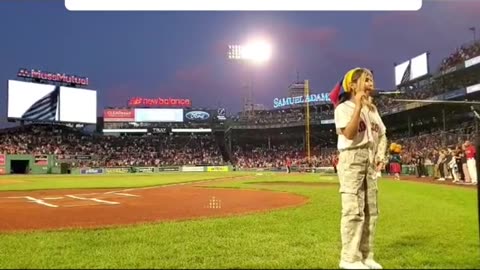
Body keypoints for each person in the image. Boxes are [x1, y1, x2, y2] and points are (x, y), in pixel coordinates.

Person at [330, 67, 387, 269]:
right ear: (353, 85)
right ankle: (349, 258)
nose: (370, 83)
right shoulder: (343, 108)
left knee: (371, 210)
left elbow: (382, 133)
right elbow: (349, 134)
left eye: (371, 79)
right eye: (366, 79)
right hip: (351, 158)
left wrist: (380, 155)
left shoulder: (372, 110)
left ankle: (366, 255)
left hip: (369, 159)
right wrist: (357, 107)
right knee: (353, 210)